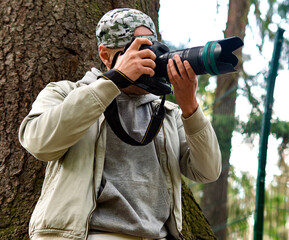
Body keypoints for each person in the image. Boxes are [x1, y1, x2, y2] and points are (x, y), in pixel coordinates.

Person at [19, 8, 221, 240]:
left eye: (150, 48)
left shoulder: (166, 113)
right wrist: (114, 81)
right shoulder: (65, 93)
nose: (147, 57)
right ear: (105, 55)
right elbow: (38, 143)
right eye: (135, 50)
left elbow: (208, 171)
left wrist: (190, 107)